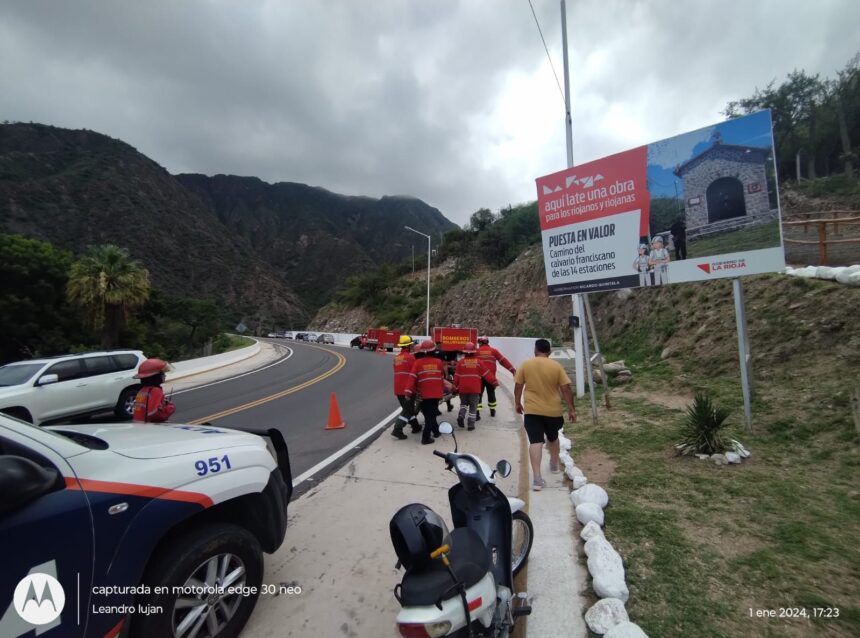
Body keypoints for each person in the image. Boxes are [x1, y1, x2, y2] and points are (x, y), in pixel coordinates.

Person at [514, 339, 576, 491]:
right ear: (549, 352)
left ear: (535, 350)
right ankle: (554, 464)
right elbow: (566, 388)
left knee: (535, 441)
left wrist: (517, 402)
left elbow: (518, 386)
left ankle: (537, 479)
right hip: (553, 411)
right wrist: (571, 408)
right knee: (553, 436)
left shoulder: (526, 364)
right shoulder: (556, 366)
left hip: (532, 410)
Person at [405, 340, 451, 445]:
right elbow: (441, 378)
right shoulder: (438, 362)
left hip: (423, 394)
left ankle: (436, 432)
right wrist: (444, 391)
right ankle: (425, 438)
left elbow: (412, 378)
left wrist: (408, 392)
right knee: (431, 415)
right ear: (434, 350)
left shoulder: (417, 363)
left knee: (428, 414)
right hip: (435, 394)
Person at [453, 342, 497, 431]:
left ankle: (461, 416)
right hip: (475, 388)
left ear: (464, 352)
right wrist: (494, 381)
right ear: (474, 352)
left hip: (463, 388)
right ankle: (470, 425)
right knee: (473, 406)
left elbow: (457, 376)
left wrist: (454, 386)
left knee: (463, 404)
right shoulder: (479, 362)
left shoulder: (460, 363)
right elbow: (487, 374)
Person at [476, 336, 516, 419]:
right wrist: (512, 370)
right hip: (491, 377)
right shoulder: (494, 351)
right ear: (487, 342)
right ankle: (492, 411)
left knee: (478, 394)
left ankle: (477, 413)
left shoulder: (477, 351)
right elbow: (503, 361)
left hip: (479, 377)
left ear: (480, 343)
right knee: (491, 393)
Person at [391, 335, 421, 439]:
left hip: (398, 389)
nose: (413, 346)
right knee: (407, 411)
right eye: (411, 345)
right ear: (408, 346)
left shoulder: (396, 358)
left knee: (408, 409)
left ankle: (416, 426)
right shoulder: (411, 357)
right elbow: (415, 373)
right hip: (408, 389)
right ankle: (397, 429)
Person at [132, 358, 176, 423]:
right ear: (156, 376)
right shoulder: (155, 391)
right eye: (162, 373)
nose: (165, 375)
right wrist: (170, 408)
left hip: (139, 425)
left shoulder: (142, 390)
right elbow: (153, 414)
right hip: (149, 428)